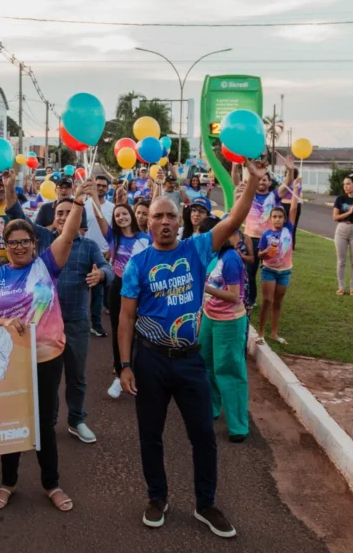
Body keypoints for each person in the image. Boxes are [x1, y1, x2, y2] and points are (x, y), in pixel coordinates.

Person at [117, 159, 264, 537]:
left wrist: (252, 181)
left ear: (179, 221)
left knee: (202, 435)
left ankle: (206, 504)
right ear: (148, 224)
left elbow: (233, 220)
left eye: (170, 215)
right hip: (150, 359)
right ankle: (157, 497)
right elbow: (126, 317)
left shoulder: (197, 249)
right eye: (157, 216)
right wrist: (125, 365)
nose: (165, 222)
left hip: (189, 361)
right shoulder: (137, 264)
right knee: (150, 434)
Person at [0, 180, 88, 513]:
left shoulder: (47, 266)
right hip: (9, 361)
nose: (19, 247)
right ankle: (7, 482)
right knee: (11, 420)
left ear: (34, 243)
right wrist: (4, 322)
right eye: (13, 242)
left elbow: (67, 235)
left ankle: (51, 484)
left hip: (47, 357)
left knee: (43, 424)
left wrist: (78, 203)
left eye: (25, 241)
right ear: (5, 245)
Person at [6, 174, 113, 444]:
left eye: (69, 212)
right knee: (45, 377)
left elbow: (108, 268)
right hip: (43, 323)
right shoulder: (42, 237)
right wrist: (9, 186)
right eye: (60, 213)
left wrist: (101, 274)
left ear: (79, 218)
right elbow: (16, 214)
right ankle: (46, 424)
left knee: (76, 375)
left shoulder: (89, 247)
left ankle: (76, 420)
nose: (65, 217)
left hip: (75, 321)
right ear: (54, 217)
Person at [197, 217, 249, 441]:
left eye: (204, 235)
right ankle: (211, 407)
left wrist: (204, 287)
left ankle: (238, 426)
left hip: (229, 322)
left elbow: (234, 296)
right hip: (209, 317)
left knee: (229, 371)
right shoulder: (214, 255)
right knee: (206, 364)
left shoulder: (230, 259)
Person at [97, 202, 151, 399]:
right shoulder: (113, 237)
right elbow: (99, 216)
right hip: (118, 287)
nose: (121, 217)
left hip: (142, 289)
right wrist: (92, 195)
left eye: (124, 213)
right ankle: (120, 373)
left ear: (131, 215)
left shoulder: (146, 239)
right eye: (117, 215)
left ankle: (139, 372)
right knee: (119, 330)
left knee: (141, 331)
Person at [256, 180, 300, 345]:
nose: (277, 219)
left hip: (285, 272)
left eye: (280, 217)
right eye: (274, 217)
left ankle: (274, 333)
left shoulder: (288, 230)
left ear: (284, 219)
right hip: (269, 270)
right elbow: (259, 255)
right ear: (270, 218)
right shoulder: (266, 234)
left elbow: (293, 209)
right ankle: (261, 333)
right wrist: (265, 252)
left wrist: (295, 189)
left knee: (278, 302)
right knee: (267, 300)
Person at [243, 170, 292, 309]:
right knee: (249, 272)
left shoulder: (274, 196)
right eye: (260, 179)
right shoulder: (249, 194)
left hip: (271, 240)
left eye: (265, 179)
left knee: (271, 270)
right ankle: (251, 299)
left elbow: (286, 184)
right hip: (251, 239)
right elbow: (237, 180)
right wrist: (235, 166)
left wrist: (289, 170)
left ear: (269, 182)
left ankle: (272, 300)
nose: (261, 182)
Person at [84, 175, 115, 338]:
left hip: (102, 255)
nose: (101, 188)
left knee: (98, 291)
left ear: (108, 188)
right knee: (81, 291)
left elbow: (114, 232)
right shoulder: (84, 205)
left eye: (104, 186)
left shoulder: (112, 208)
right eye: (98, 185)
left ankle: (96, 324)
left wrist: (110, 250)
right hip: (84, 252)